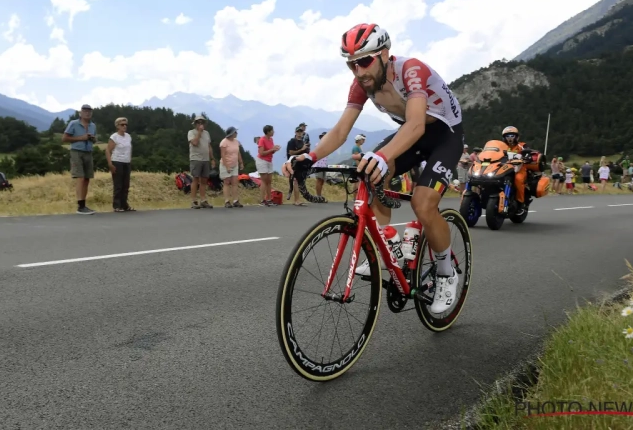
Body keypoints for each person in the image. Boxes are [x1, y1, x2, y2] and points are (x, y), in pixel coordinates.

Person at [282, 23, 464, 315]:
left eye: (364, 61)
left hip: (444, 134)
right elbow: (341, 131)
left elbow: (416, 124)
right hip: (412, 132)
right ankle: (388, 239)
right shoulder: (361, 83)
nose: (359, 71)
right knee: (370, 170)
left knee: (423, 203)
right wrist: (310, 156)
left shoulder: (411, 70)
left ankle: (446, 272)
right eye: (351, 64)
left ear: (384, 54)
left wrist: (384, 155)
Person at [62, 104, 97, 215]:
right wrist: (81, 138)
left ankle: (84, 205)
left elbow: (95, 140)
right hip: (76, 151)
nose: (87, 113)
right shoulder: (73, 123)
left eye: (89, 111)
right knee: (80, 178)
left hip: (88, 152)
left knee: (87, 178)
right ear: (80, 113)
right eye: (85, 111)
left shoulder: (93, 126)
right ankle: (80, 206)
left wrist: (93, 139)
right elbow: (64, 138)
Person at [500, 126, 534, 215]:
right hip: (503, 168)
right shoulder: (501, 146)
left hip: (519, 168)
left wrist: (528, 156)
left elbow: (528, 152)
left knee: (518, 180)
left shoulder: (522, 145)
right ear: (504, 137)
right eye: (507, 135)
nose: (510, 137)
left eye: (512, 135)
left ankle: (521, 203)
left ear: (516, 136)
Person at [106, 116, 135, 212]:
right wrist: (110, 164)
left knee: (126, 185)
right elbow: (108, 150)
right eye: (122, 124)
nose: (124, 126)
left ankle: (124, 204)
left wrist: (130, 160)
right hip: (117, 161)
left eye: (126, 124)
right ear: (117, 126)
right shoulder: (114, 137)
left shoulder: (128, 136)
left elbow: (130, 149)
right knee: (118, 185)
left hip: (126, 162)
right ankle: (117, 205)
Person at [187, 114, 216, 209]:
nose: (200, 124)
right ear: (195, 124)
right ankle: (194, 201)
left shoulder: (207, 133)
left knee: (204, 180)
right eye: (198, 122)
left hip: (205, 159)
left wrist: (212, 158)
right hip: (196, 158)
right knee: (195, 179)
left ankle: (203, 200)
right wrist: (199, 132)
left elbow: (209, 146)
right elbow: (194, 143)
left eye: (202, 122)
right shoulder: (191, 132)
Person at [219, 126, 244, 208]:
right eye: (235, 132)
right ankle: (227, 201)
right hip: (225, 164)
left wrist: (241, 162)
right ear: (231, 134)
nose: (236, 134)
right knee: (226, 182)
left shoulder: (236, 142)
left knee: (234, 183)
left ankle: (235, 200)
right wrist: (227, 166)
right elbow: (223, 155)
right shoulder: (224, 142)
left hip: (234, 164)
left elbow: (238, 152)